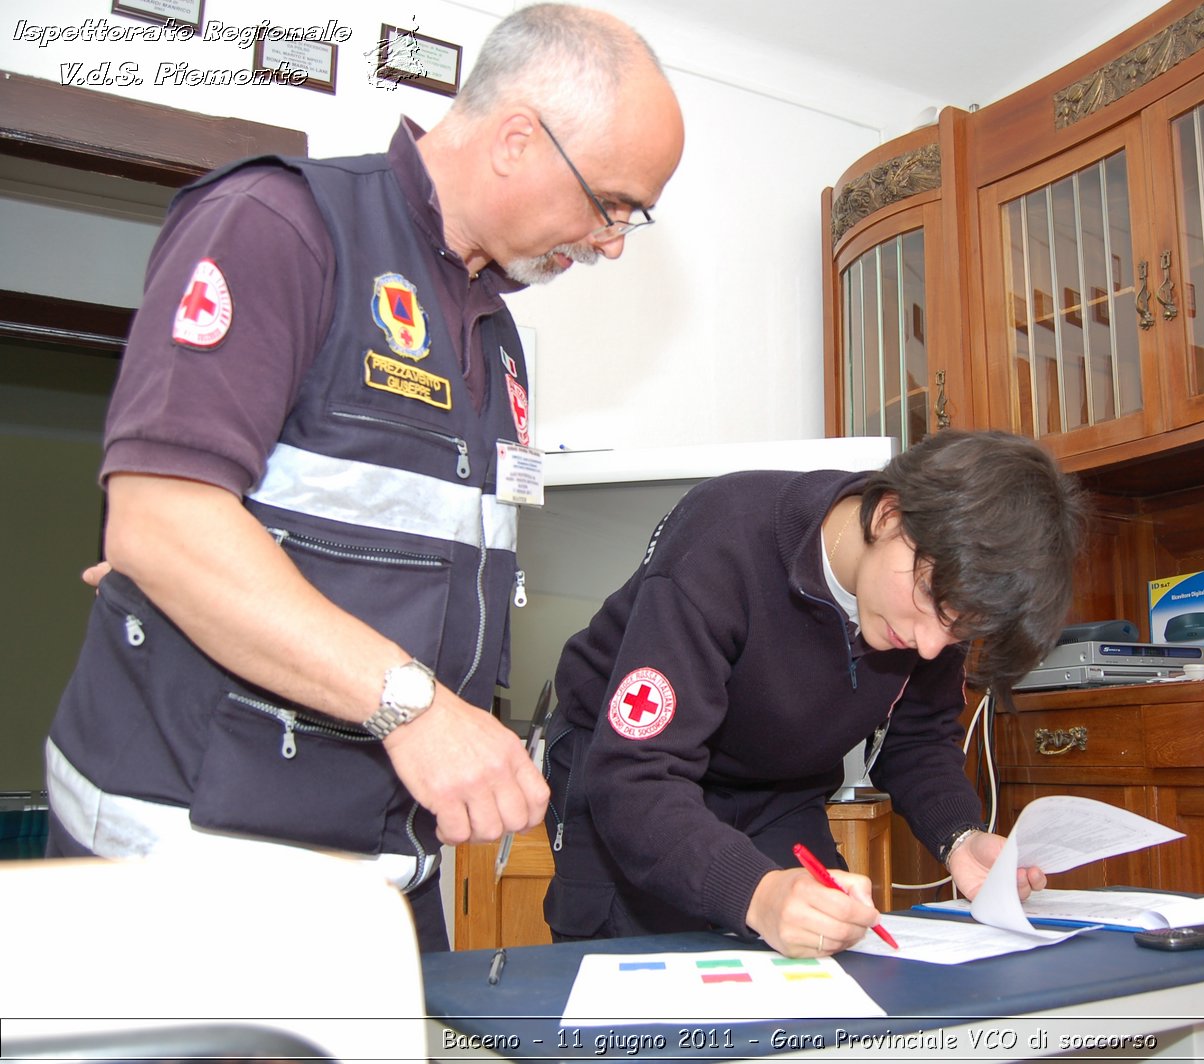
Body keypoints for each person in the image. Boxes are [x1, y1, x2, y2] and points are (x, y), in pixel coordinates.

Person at [43, 4, 685, 951]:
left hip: (379, 871)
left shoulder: (495, 338)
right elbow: (163, 523)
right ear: (518, 139)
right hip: (194, 867)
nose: (615, 241)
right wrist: (415, 707)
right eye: (614, 203)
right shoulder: (282, 225)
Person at [542, 430, 1086, 956]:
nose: (929, 646)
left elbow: (918, 739)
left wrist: (961, 838)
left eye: (958, 632)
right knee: (640, 994)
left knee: (825, 955)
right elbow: (635, 775)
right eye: (928, 601)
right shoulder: (724, 536)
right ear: (887, 514)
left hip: (779, 787)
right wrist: (757, 893)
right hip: (628, 770)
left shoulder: (938, 599)